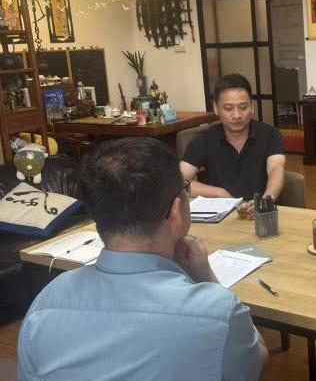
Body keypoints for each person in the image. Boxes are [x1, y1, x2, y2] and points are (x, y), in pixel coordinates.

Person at [18, 138, 267, 381]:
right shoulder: (217, 312)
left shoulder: (45, 304)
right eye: (186, 189)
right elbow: (256, 360)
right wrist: (207, 279)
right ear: (175, 212)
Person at [180, 74, 286, 208]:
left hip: (264, 211)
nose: (237, 115)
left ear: (252, 107)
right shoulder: (204, 141)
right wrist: (219, 193)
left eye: (243, 107)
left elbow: (276, 169)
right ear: (216, 108)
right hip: (223, 213)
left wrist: (265, 202)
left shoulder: (270, 135)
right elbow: (177, 182)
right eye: (228, 108)